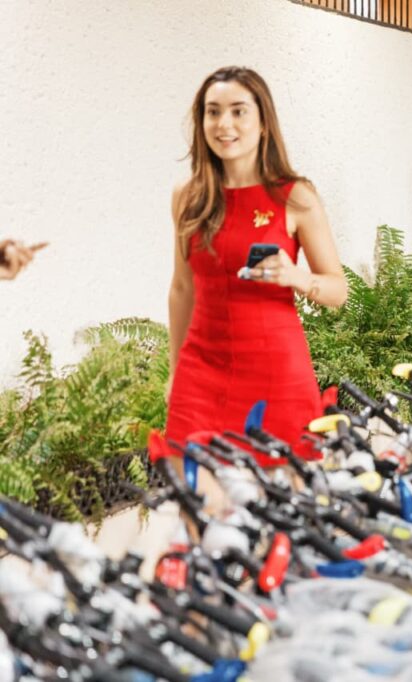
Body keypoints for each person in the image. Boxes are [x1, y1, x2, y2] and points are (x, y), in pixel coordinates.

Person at [166, 66, 348, 459]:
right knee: (193, 489)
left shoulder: (295, 196)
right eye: (213, 112)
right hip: (199, 374)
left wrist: (297, 277)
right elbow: (182, 289)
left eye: (238, 111)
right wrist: (175, 372)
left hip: (275, 374)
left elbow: (338, 289)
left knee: (280, 491)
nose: (224, 124)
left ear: (264, 123)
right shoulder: (187, 196)